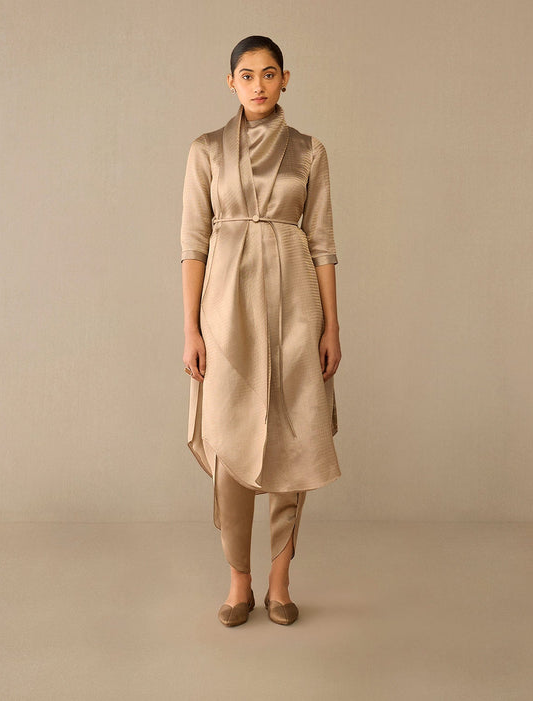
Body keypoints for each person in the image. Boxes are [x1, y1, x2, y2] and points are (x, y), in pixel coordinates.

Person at [180, 35, 342, 627]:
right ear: (231, 82)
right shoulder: (205, 151)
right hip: (226, 310)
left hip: (296, 306)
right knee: (229, 438)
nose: (258, 84)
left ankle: (279, 580)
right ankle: (238, 582)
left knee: (292, 437)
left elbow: (322, 243)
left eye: (269, 73)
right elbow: (192, 243)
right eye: (246, 75)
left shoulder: (309, 152)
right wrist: (191, 328)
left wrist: (331, 325)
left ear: (285, 79)